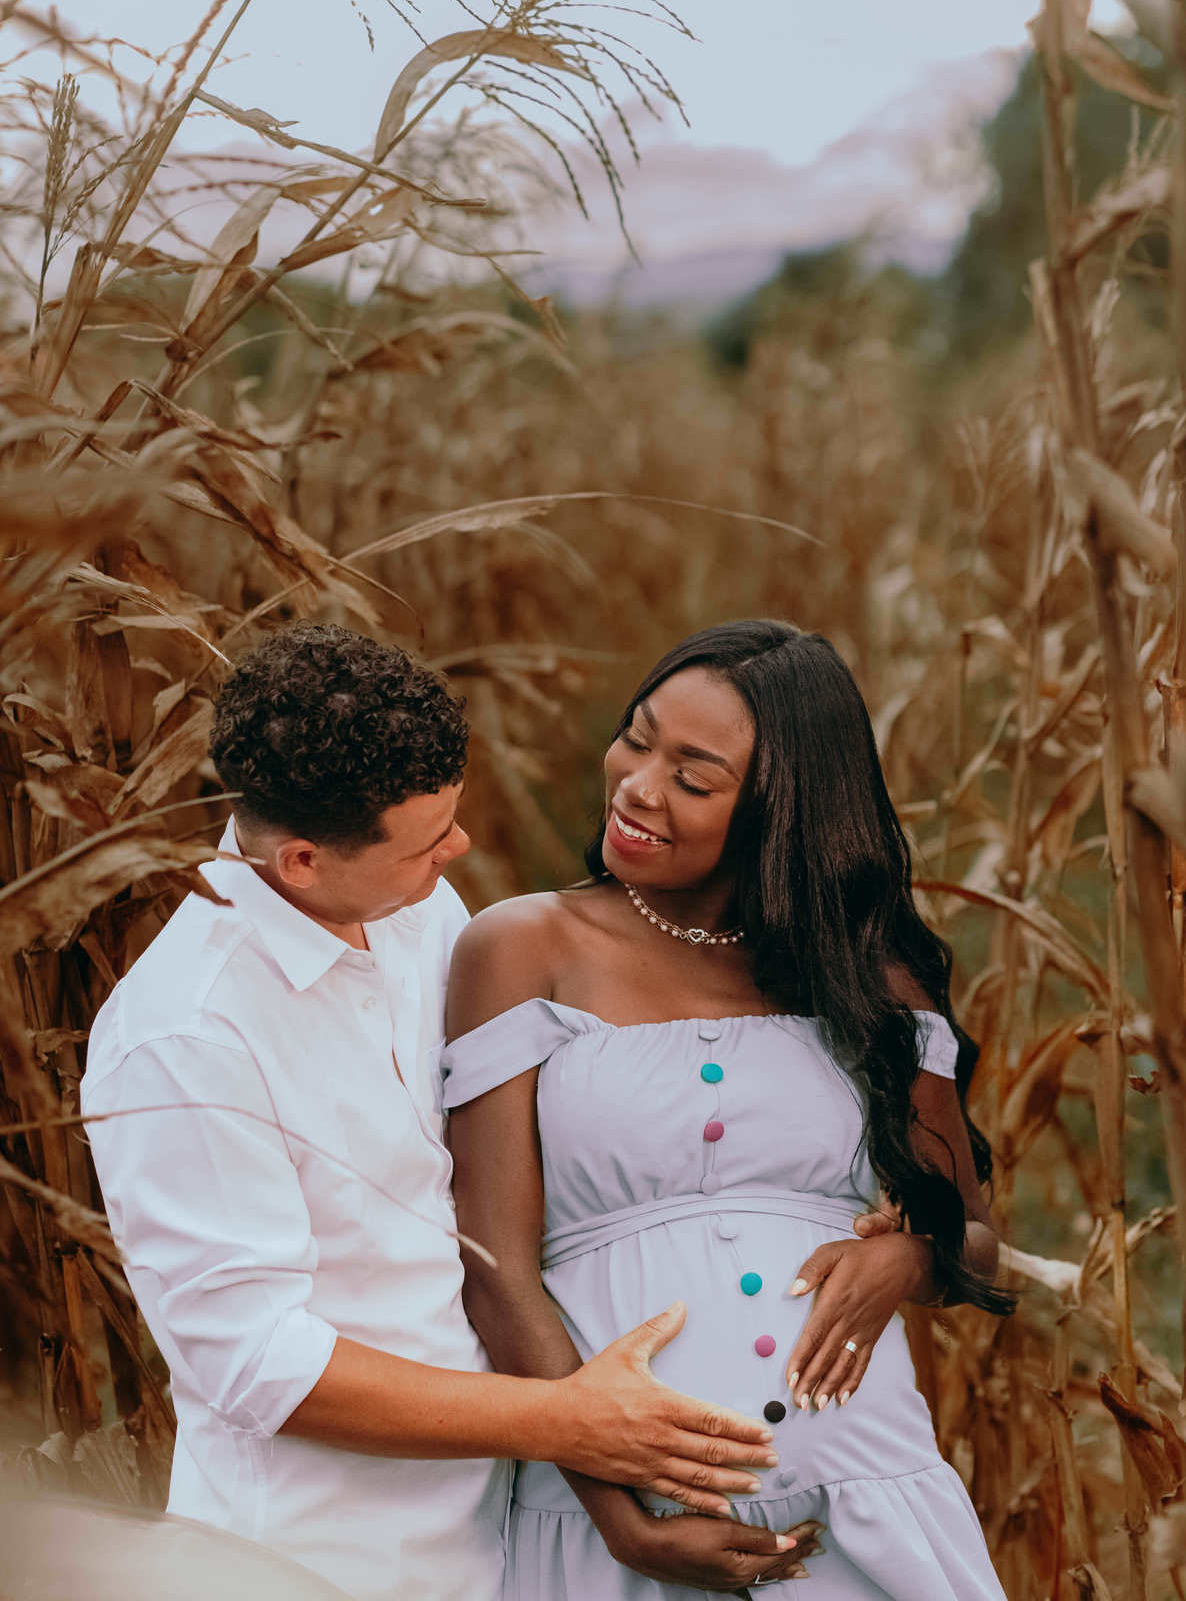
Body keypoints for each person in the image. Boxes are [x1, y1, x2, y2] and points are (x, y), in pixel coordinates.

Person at [80, 623, 783, 1601]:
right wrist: (563, 1420)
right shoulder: (183, 1039)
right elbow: (258, 1366)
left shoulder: (418, 914)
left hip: (491, 1541)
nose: (460, 847)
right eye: (428, 839)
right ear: (301, 864)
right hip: (312, 1563)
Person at [441, 620, 1014, 1598]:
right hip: (615, 1534)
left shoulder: (876, 978)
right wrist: (626, 1522)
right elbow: (493, 1268)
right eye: (637, 736)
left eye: (694, 779)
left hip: (865, 1509)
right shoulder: (523, 947)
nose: (637, 786)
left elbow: (980, 1241)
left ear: (779, 814)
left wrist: (906, 1257)